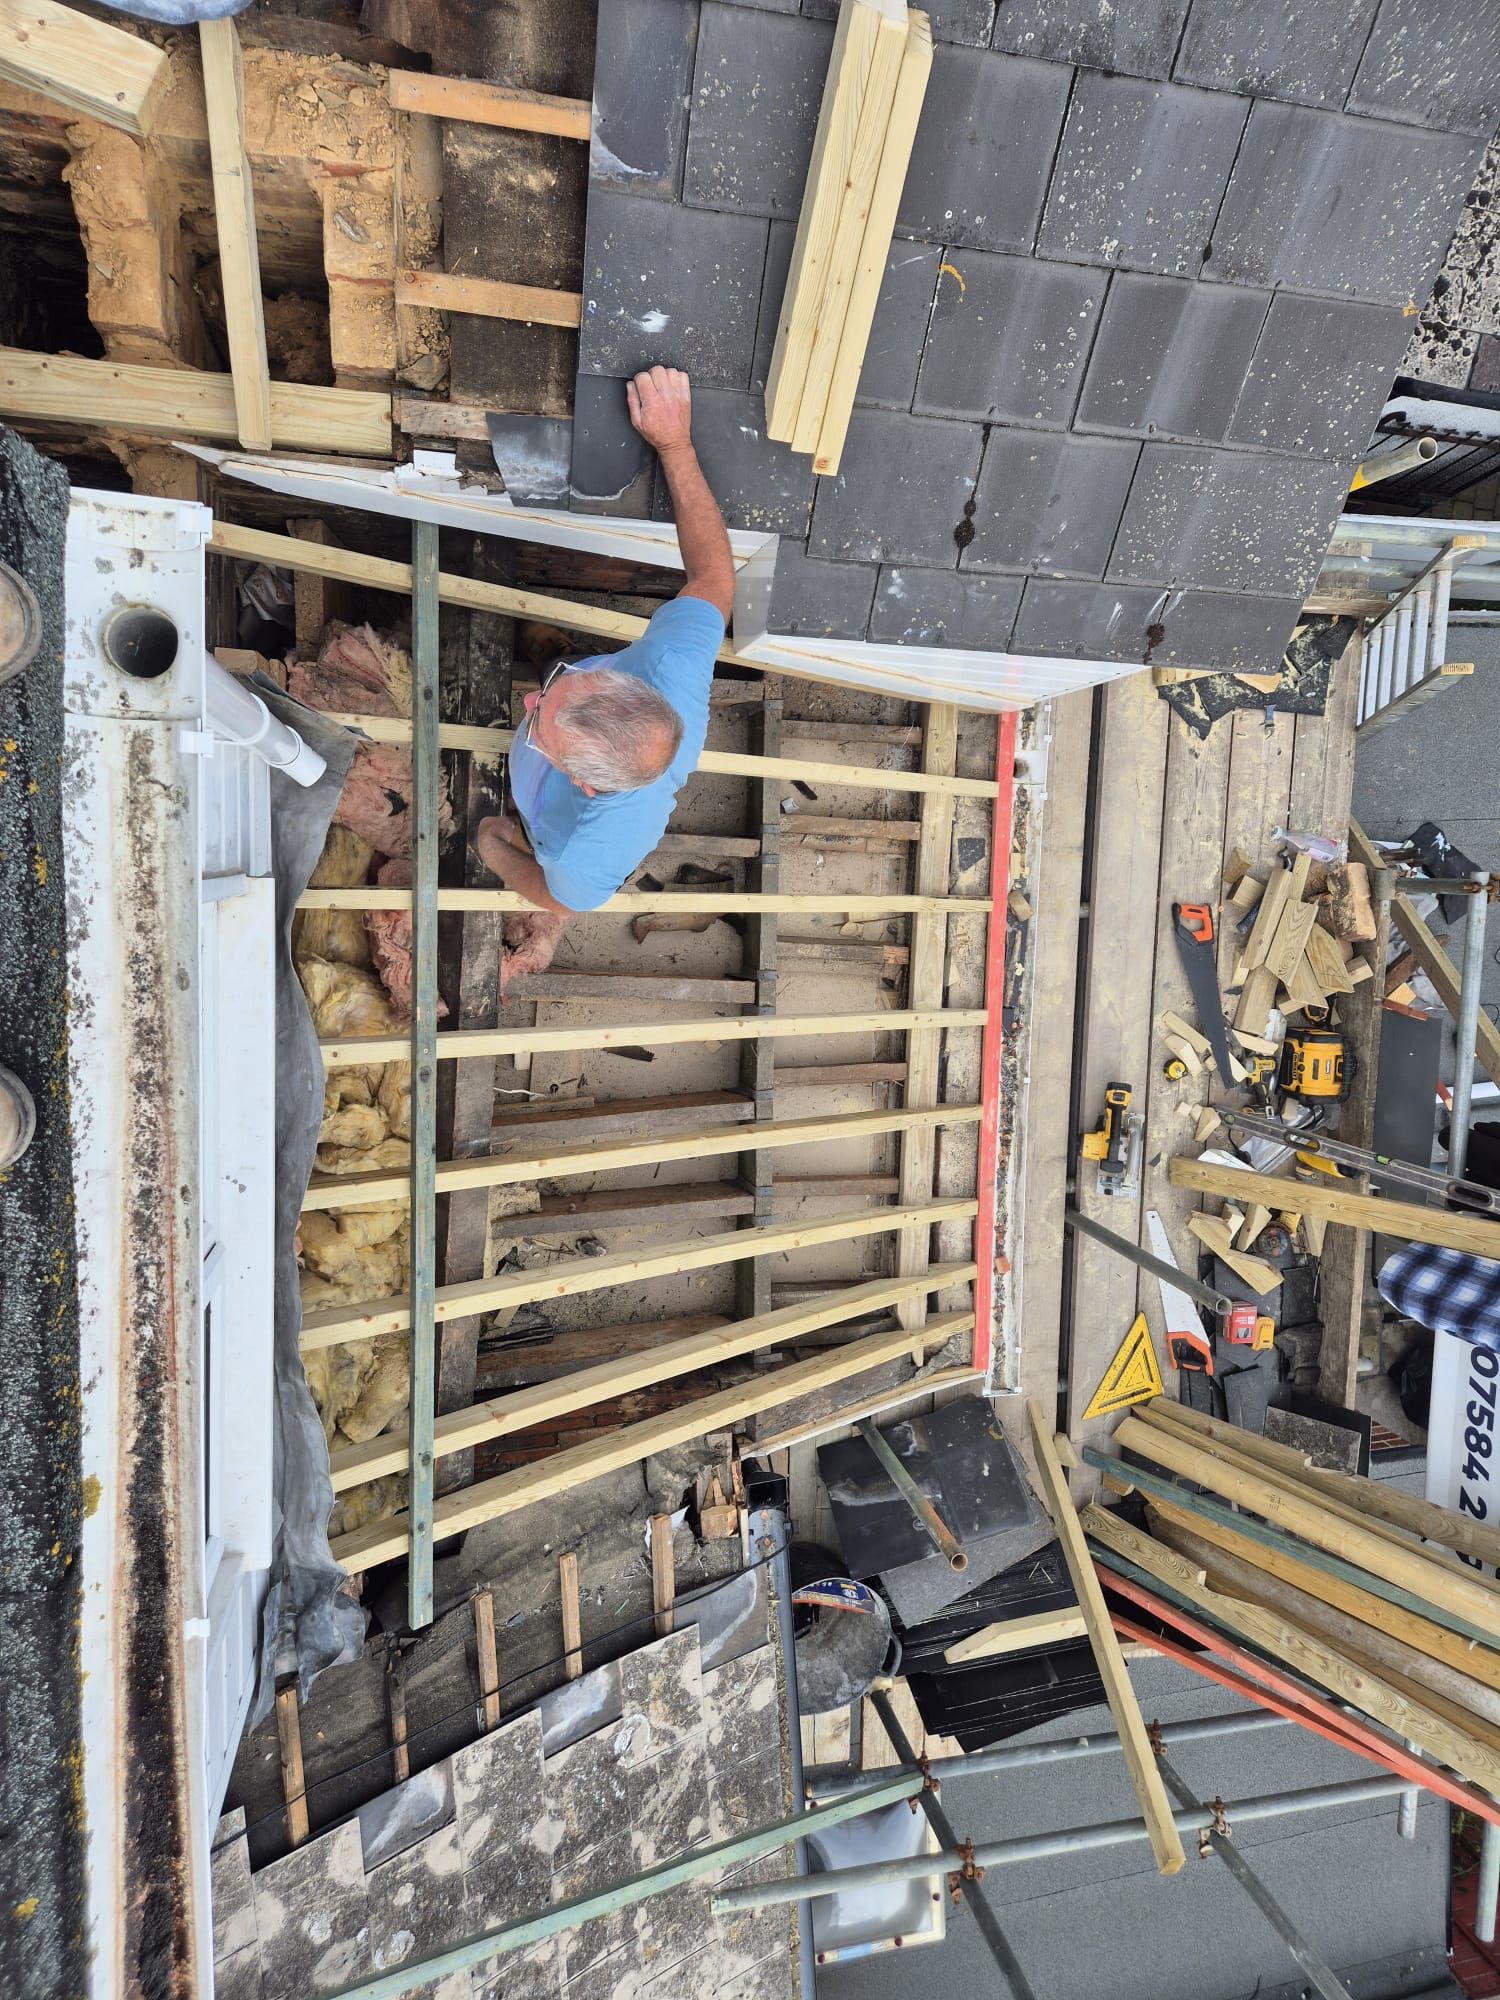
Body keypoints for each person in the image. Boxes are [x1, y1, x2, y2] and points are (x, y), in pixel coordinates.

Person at [475, 367, 734, 962]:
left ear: (584, 784)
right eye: (560, 689)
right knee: (555, 665)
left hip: (538, 817)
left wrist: (497, 851)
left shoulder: (586, 856)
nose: (526, 702)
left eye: (537, 725)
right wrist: (674, 443)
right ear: (626, 684)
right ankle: (552, 653)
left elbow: (561, 900)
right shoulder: (671, 668)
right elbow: (714, 577)